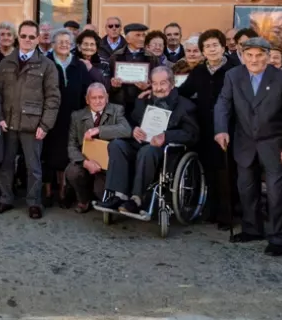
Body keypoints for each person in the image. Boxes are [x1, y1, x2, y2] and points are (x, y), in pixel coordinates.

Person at [214, 37, 282, 256]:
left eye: (260, 55)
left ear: (268, 57)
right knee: (246, 189)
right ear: (241, 56)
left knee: (277, 193)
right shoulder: (233, 75)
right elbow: (223, 103)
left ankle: (279, 237)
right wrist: (220, 129)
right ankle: (252, 229)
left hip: (274, 143)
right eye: (249, 55)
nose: (254, 59)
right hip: (244, 142)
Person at [98, 66, 198, 215]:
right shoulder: (143, 100)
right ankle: (119, 196)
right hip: (140, 144)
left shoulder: (185, 105)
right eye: (155, 83)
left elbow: (192, 134)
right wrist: (133, 130)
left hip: (164, 151)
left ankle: (137, 199)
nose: (158, 88)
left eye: (163, 83)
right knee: (117, 145)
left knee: (147, 151)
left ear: (171, 83)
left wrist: (166, 136)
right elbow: (131, 121)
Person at [0, 20, 60, 219]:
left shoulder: (47, 65)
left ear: (38, 39)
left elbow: (53, 98)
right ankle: (5, 199)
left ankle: (34, 202)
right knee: (5, 164)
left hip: (33, 124)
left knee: (34, 166)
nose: (28, 40)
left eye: (32, 37)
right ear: (18, 37)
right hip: (8, 122)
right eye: (24, 36)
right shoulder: (6, 62)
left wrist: (46, 124)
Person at [178, 29, 236, 228]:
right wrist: (158, 92)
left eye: (214, 45)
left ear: (223, 46)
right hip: (204, 127)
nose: (211, 49)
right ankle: (210, 210)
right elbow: (183, 92)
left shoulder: (234, 69)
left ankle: (227, 214)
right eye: (207, 46)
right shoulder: (199, 71)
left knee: (227, 171)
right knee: (209, 170)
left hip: (229, 127)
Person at [43, 28, 90, 208]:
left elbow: (86, 92)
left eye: (67, 42)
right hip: (49, 115)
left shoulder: (79, 66)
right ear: (53, 44)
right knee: (47, 153)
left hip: (72, 116)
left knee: (66, 153)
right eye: (60, 41)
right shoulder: (46, 63)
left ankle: (63, 191)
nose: (64, 45)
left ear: (72, 45)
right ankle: (47, 191)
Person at [65, 84, 127, 212]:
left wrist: (99, 130)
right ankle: (83, 200)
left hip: (107, 165)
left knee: (101, 193)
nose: (98, 101)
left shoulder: (117, 110)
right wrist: (85, 162)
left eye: (101, 97)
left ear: (107, 98)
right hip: (87, 161)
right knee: (72, 172)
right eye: (94, 98)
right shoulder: (77, 116)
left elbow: (126, 130)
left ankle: (99, 196)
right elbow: (71, 146)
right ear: (87, 100)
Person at [108, 23, 161, 122]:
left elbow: (158, 83)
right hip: (121, 106)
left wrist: (148, 87)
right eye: (138, 35)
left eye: (143, 35)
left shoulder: (152, 58)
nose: (142, 39)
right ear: (127, 38)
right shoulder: (115, 57)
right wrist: (114, 86)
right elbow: (108, 83)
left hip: (144, 105)